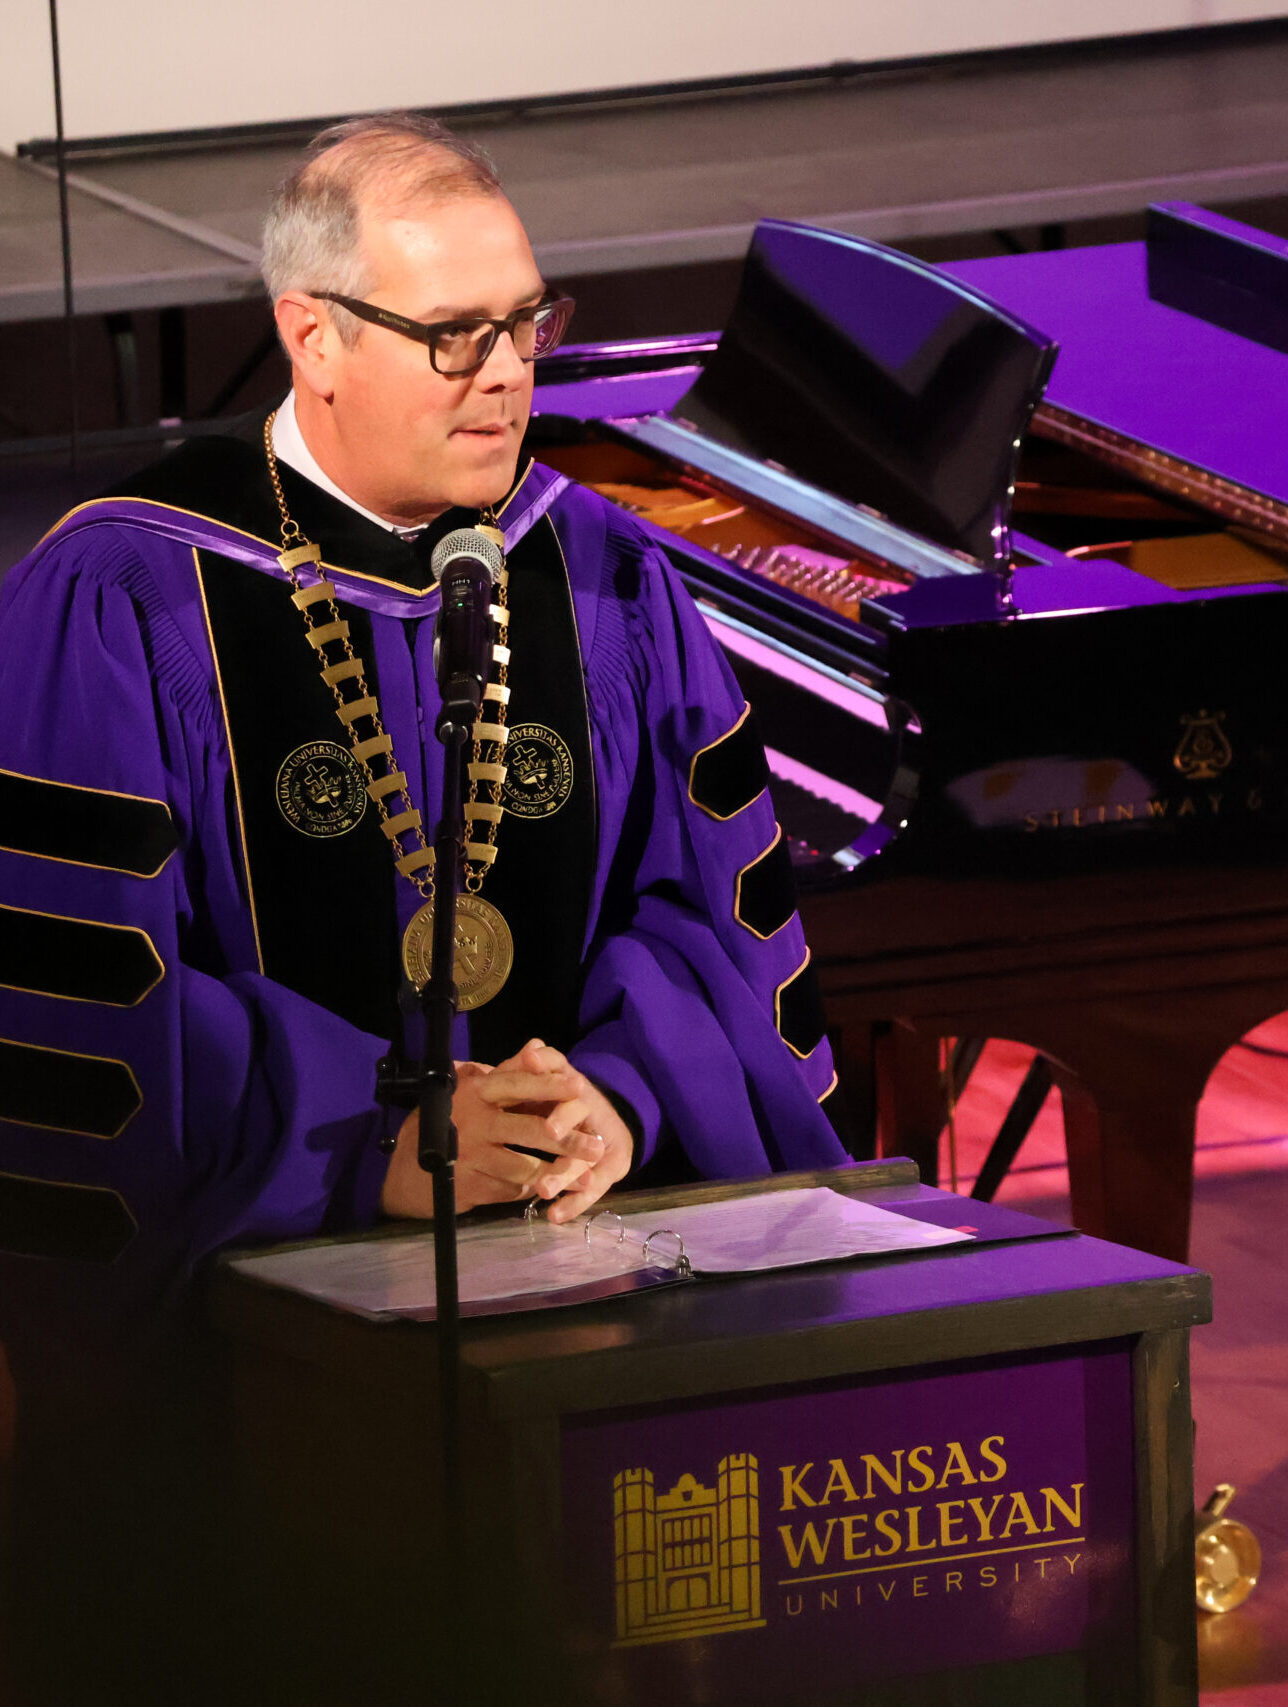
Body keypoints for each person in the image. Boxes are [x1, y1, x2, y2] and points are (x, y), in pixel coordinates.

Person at [0, 114, 846, 1700]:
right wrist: (354, 1138)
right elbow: (68, 1023)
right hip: (253, 1339)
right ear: (311, 335)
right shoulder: (117, 594)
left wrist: (626, 1090)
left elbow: (706, 915)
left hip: (591, 1280)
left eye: (529, 321)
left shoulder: (603, 574)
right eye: (455, 335)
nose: (511, 372)